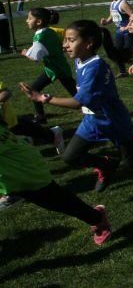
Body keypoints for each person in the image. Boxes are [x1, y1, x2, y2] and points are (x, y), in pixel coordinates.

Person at [20, 20, 133, 204]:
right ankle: (106, 164)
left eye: (70, 40)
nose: (65, 45)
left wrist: (43, 98)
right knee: (70, 157)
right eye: (65, 40)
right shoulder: (80, 59)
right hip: (93, 119)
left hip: (113, 120)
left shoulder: (95, 67)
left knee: (131, 160)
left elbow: (77, 102)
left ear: (88, 43)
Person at [0, 86, 113, 245]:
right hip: (15, 167)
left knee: (56, 201)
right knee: (52, 199)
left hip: (24, 170)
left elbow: (4, 93)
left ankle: (97, 218)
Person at [21, 8, 76, 127]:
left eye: (30, 18)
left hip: (56, 69)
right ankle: (41, 117)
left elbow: (35, 58)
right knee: (75, 93)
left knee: (34, 90)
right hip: (58, 67)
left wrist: (25, 53)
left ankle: (41, 117)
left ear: (39, 22)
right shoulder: (49, 31)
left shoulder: (41, 36)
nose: (27, 21)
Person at [99, 0, 133, 77]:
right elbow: (112, 17)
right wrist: (105, 21)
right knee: (117, 53)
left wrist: (127, 27)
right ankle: (122, 72)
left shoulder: (123, 4)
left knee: (127, 54)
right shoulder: (112, 4)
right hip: (118, 33)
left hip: (127, 33)